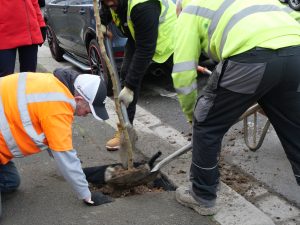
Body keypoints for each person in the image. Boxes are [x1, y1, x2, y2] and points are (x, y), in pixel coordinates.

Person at [171, 0, 300, 216]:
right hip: (296, 53)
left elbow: (183, 72)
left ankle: (202, 195)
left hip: (251, 58)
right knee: (295, 129)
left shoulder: (189, 10)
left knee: (207, 124)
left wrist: (193, 116)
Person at [0, 69, 113, 218]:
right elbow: (63, 154)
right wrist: (87, 195)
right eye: (89, 110)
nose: (87, 115)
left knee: (10, 182)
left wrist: (74, 164)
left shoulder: (56, 87)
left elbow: (51, 136)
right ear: (78, 99)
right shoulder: (58, 106)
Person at [101, 0, 177, 151]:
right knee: (126, 74)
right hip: (141, 36)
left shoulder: (143, 5)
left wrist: (130, 87)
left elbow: (146, 49)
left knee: (184, 83)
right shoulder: (109, 2)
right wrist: (102, 24)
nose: (109, 3)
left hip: (171, 40)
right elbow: (104, 11)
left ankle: (206, 126)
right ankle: (126, 131)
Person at [0, 0, 47, 77]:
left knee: (29, 77)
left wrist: (41, 24)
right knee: (4, 78)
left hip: (30, 32)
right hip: (3, 33)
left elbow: (34, 2)